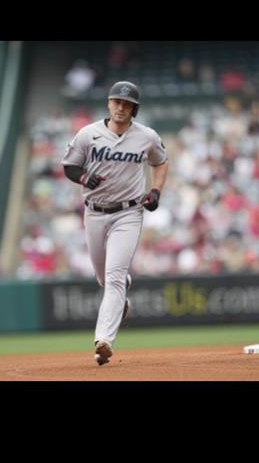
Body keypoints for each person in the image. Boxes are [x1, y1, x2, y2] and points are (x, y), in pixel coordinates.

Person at [61, 81, 169, 366]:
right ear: (109, 104)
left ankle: (103, 341)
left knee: (114, 277)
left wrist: (156, 190)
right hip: (94, 213)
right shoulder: (88, 134)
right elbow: (69, 166)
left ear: (134, 108)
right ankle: (122, 298)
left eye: (127, 103)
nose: (121, 107)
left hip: (128, 213)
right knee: (103, 277)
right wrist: (84, 178)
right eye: (116, 102)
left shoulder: (146, 136)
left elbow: (161, 161)